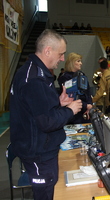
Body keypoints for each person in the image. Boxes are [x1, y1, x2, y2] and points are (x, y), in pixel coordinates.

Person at [9, 29, 82, 200]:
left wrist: (58, 102)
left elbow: (37, 108)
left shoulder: (36, 72)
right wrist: (69, 109)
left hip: (40, 148)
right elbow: (47, 122)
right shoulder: (34, 79)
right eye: (61, 54)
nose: (62, 58)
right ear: (48, 50)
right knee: (45, 194)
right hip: (38, 152)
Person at [58, 52, 93, 124]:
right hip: (73, 114)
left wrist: (89, 106)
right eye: (78, 61)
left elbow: (88, 92)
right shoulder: (65, 77)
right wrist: (86, 105)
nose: (81, 63)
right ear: (72, 62)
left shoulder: (82, 75)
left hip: (84, 112)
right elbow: (69, 97)